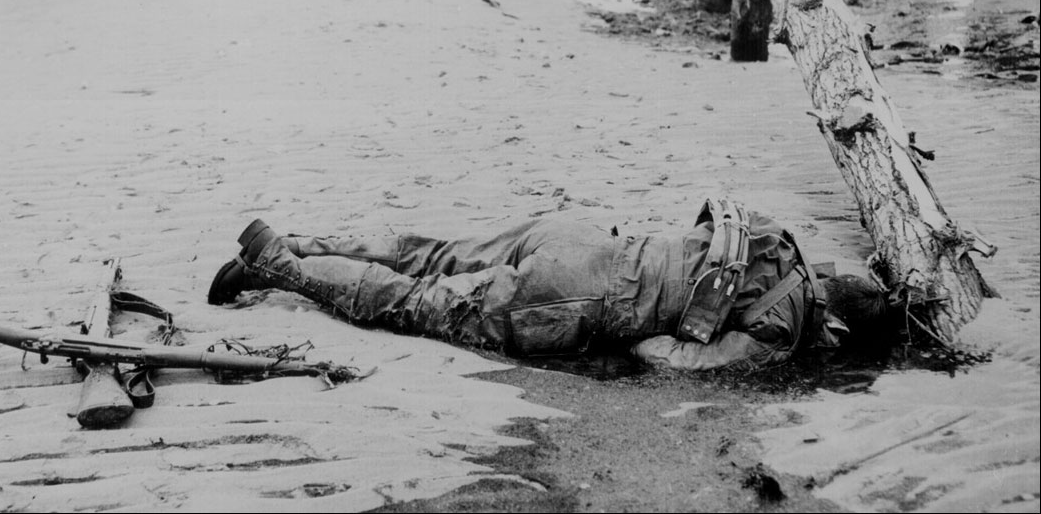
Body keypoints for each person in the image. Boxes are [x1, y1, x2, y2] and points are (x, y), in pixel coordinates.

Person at [207, 202, 894, 372]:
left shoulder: (779, 241)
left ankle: (304, 242)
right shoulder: (783, 331)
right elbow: (664, 360)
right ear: (833, 329)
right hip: (581, 296)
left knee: (435, 256)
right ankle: (277, 263)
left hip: (579, 235)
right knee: (419, 308)